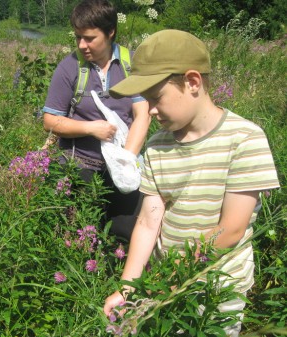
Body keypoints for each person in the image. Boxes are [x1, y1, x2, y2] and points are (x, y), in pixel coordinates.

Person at [103, 29, 280, 336]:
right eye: (145, 101)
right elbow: (147, 222)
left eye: (156, 98)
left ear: (193, 82)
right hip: (164, 284)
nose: (150, 111)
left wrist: (167, 280)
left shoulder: (245, 139)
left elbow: (231, 229)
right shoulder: (157, 145)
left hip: (218, 292)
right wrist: (130, 289)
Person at [42, 0, 151, 241]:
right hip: (79, 164)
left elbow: (142, 114)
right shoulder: (70, 68)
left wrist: (127, 159)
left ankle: (116, 276)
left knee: (124, 231)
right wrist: (90, 128)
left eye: (89, 38)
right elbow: (50, 121)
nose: (82, 45)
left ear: (110, 32)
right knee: (79, 230)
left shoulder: (130, 64)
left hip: (123, 164)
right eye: (78, 37)